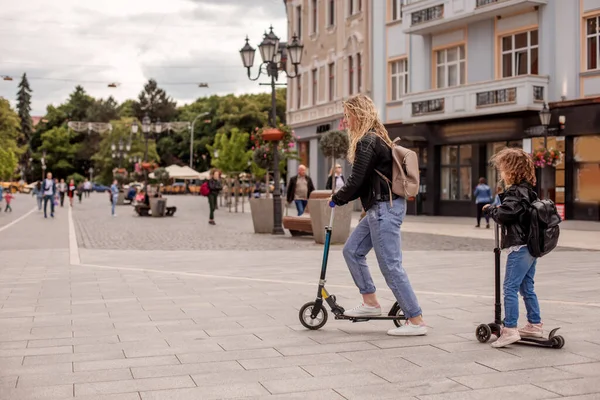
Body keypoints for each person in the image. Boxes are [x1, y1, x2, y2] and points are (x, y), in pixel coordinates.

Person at [330, 94, 426, 337]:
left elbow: (356, 180)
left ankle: (415, 320)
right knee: (352, 250)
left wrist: (337, 198)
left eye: (348, 114)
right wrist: (344, 196)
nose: (346, 120)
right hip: (379, 208)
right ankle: (371, 302)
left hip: (385, 209)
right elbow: (362, 183)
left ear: (358, 114)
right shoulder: (376, 139)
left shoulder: (368, 141)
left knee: (391, 266)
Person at [483, 148, 542, 348]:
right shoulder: (528, 190)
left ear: (511, 171)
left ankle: (509, 329)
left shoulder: (516, 192)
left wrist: (491, 209)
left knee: (510, 287)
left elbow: (505, 215)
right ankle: (534, 324)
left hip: (520, 246)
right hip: (531, 247)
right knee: (527, 286)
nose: (500, 173)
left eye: (502, 169)